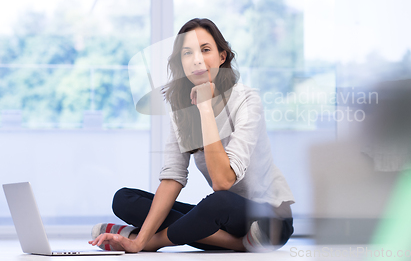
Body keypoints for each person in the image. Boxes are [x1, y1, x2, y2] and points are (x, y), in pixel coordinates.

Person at [88, 18, 295, 253]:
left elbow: (223, 181)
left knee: (218, 202)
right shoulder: (181, 111)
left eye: (205, 50)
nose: (196, 59)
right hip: (223, 220)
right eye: (187, 53)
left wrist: (142, 242)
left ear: (222, 56)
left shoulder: (247, 100)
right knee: (124, 199)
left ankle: (141, 237)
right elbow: (173, 178)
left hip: (268, 220)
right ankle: (236, 243)